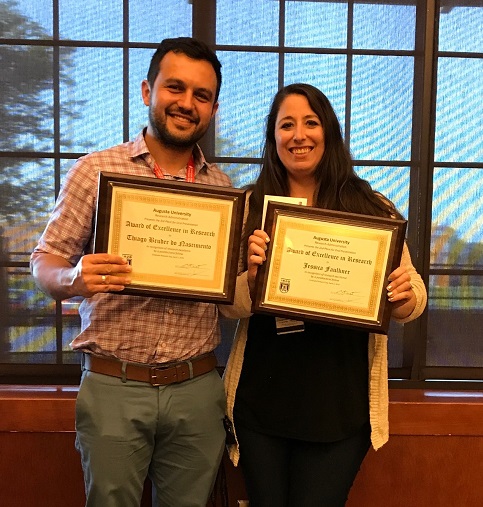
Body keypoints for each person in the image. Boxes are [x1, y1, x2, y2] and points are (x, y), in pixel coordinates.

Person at [30, 37, 230, 507]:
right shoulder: (95, 171)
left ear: (213, 108)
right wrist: (74, 279)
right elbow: (44, 262)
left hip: (197, 389)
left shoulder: (222, 189)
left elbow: (230, 288)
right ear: (147, 91)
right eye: (174, 88)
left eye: (201, 96)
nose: (186, 103)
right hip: (113, 385)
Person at [220, 83, 427, 506]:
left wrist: (403, 296)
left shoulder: (372, 206)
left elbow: (414, 297)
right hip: (262, 404)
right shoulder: (249, 205)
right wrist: (253, 279)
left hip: (340, 406)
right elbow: (228, 307)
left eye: (311, 123)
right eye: (287, 125)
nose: (300, 135)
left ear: (328, 132)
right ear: (273, 137)